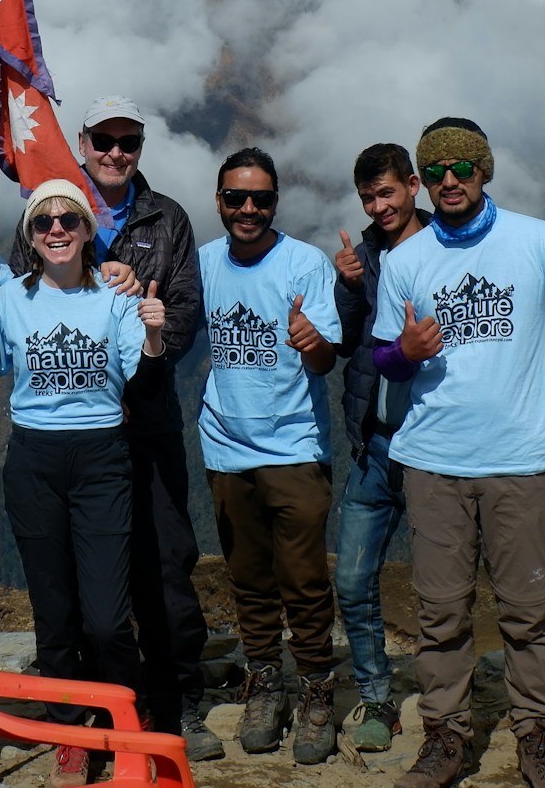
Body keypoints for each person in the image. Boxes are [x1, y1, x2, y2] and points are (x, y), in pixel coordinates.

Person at [372, 117, 545, 788]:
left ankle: (540, 739)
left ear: (484, 170)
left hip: (518, 461)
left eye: (461, 168)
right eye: (435, 171)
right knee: (440, 615)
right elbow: (386, 358)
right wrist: (405, 354)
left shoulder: (538, 242)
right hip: (433, 461)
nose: (448, 182)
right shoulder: (405, 260)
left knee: (528, 612)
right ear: (422, 180)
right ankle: (445, 739)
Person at [9, 96, 217, 760]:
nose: (116, 151)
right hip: (58, 436)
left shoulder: (167, 220)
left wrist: (141, 318)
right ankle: (83, 717)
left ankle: (173, 702)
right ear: (83, 140)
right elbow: (24, 305)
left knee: (161, 568)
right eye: (104, 139)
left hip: (143, 424)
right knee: (68, 590)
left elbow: (181, 311)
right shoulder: (47, 211)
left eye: (129, 141)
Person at [0, 178, 164, 788]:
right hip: (34, 460)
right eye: (44, 223)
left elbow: (141, 387)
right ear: (30, 237)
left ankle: (126, 717)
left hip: (101, 458)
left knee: (106, 618)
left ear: (90, 232)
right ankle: (71, 732)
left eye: (70, 219)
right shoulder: (11, 298)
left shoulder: (115, 297)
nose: (57, 229)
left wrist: (152, 335)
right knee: (54, 612)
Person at [197, 147, 342, 765]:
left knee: (304, 580)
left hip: (294, 447)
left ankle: (314, 690)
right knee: (249, 579)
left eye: (260, 198)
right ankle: (264, 685)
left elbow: (325, 358)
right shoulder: (202, 263)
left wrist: (312, 343)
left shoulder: (305, 264)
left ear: (275, 201)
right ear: (220, 201)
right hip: (225, 445)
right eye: (236, 198)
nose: (248, 209)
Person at [329, 143, 430, 753]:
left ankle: (448, 700)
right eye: (368, 197)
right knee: (351, 579)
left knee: (443, 587)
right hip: (373, 447)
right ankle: (376, 699)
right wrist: (346, 286)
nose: (378, 205)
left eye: (387, 193)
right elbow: (345, 345)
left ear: (413, 186)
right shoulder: (362, 256)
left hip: (433, 450)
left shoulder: (447, 249)